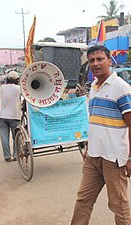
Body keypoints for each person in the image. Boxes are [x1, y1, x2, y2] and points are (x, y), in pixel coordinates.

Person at [71, 45, 131, 225]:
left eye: (99, 59)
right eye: (91, 61)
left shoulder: (122, 88)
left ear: (109, 60)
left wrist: (130, 158)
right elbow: (95, 122)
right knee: (83, 201)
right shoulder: (95, 87)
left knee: (118, 205)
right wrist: (88, 148)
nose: (95, 64)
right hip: (93, 157)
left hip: (113, 158)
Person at [0, 71, 21, 162]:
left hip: (2, 116)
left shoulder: (2, 88)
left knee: (4, 137)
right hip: (14, 116)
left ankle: (7, 156)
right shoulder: (19, 89)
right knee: (16, 136)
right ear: (17, 79)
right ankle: (16, 155)